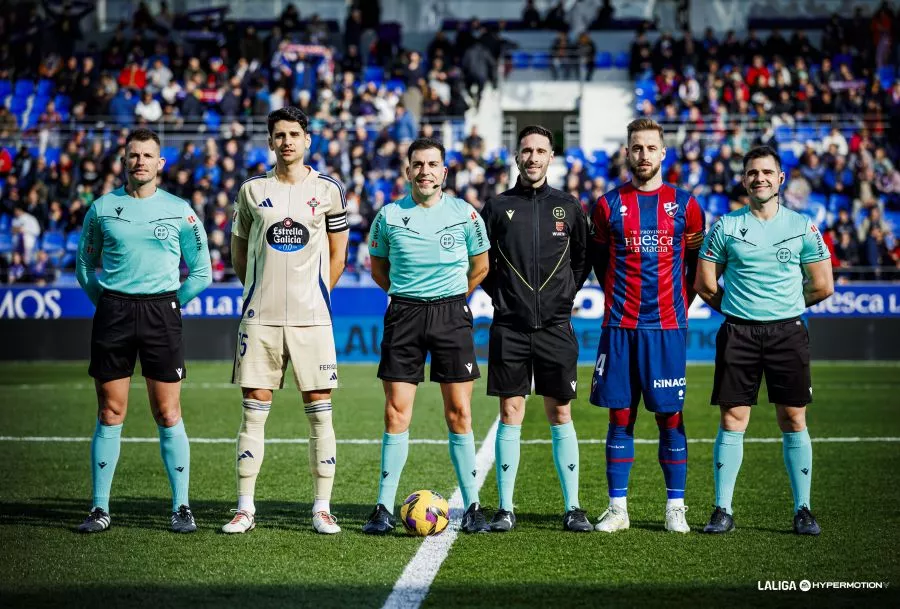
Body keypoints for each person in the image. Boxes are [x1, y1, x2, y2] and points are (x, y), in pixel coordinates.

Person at [75, 128, 212, 533]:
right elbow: (85, 266)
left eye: (147, 155)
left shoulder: (181, 210)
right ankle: (100, 509)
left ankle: (181, 507)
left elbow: (201, 272)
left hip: (161, 313)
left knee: (168, 412)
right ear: (123, 161)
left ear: (160, 163)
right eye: (133, 155)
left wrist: (171, 304)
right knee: (109, 411)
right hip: (114, 312)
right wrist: (108, 303)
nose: (140, 162)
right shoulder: (101, 208)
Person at [694, 145, 834, 536]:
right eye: (753, 172)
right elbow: (705, 284)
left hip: (787, 332)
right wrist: (739, 308)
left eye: (767, 172)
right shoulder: (725, 226)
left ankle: (803, 508)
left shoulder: (802, 226)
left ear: (780, 178)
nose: (760, 178)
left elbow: (823, 286)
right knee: (733, 419)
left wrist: (786, 304)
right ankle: (723, 509)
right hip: (738, 332)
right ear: (744, 179)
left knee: (793, 418)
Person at [223, 107, 349, 535]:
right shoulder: (252, 191)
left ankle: (322, 507)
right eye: (279, 135)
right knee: (254, 410)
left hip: (313, 319)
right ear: (270, 141)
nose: (287, 141)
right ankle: (244, 507)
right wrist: (257, 290)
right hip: (261, 317)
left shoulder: (329, 190)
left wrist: (319, 296)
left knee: (320, 411)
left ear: (308, 139)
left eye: (294, 134)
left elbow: (338, 253)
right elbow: (239, 252)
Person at [362, 137, 490, 534]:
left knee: (459, 412)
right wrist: (407, 297)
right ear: (408, 171)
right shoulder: (388, 215)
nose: (425, 171)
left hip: (452, 313)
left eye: (433, 164)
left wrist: (451, 299)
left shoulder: (465, 213)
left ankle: (472, 505)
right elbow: (378, 269)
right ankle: (382, 508)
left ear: (444, 172)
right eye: (418, 164)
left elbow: (481, 266)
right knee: (396, 412)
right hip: (404, 314)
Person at [588, 118, 705, 534]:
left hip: (667, 328)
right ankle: (618, 508)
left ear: (663, 154)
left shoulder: (686, 205)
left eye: (650, 148)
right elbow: (600, 262)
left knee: (669, 417)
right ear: (627, 153)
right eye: (636, 148)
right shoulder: (606, 206)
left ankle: (676, 507)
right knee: (620, 416)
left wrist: (677, 307)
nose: (643, 155)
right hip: (620, 326)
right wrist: (619, 299)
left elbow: (694, 266)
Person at [478, 125, 591, 533]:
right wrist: (504, 296)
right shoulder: (496, 206)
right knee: (511, 411)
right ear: (517, 156)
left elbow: (582, 260)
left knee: (560, 412)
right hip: (509, 326)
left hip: (557, 327)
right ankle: (506, 508)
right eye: (526, 151)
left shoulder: (570, 206)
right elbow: (483, 264)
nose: (533, 158)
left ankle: (573, 507)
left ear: (551, 156)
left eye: (540, 151)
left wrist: (563, 295)